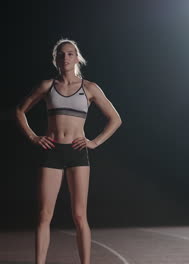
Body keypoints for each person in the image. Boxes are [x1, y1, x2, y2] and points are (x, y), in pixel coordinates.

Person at [16, 39, 122, 264]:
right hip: (52, 151)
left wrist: (95, 142)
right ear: (55, 59)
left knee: (80, 215)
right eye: (62, 54)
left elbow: (115, 119)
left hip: (77, 153)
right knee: (44, 215)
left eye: (70, 54)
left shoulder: (90, 88)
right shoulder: (47, 86)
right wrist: (33, 136)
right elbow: (20, 111)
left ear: (77, 58)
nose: (66, 58)